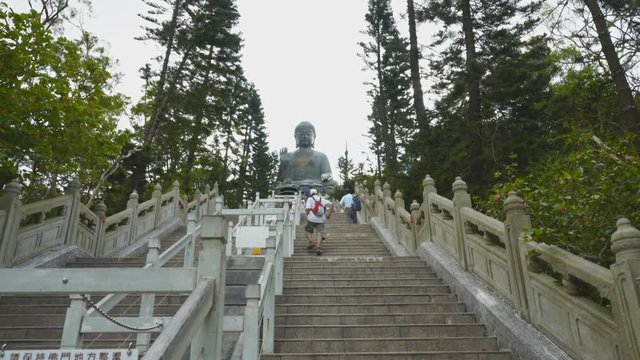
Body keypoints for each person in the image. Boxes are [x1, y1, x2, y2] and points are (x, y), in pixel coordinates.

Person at [276, 121, 338, 194]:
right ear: (295, 137)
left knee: (334, 184)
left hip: (316, 185)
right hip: (293, 186)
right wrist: (284, 164)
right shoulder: (289, 155)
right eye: (301, 134)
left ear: (314, 137)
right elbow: (283, 179)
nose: (305, 137)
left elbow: (328, 177)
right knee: (280, 186)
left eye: (308, 134)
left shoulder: (322, 156)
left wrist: (325, 178)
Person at [305, 188, 333, 255]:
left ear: (311, 193)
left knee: (308, 230)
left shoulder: (310, 199)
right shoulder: (321, 199)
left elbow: (307, 209)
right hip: (321, 219)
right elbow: (331, 204)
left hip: (311, 218)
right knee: (319, 233)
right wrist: (329, 214)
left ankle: (311, 242)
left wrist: (307, 214)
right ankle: (318, 247)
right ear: (316, 193)